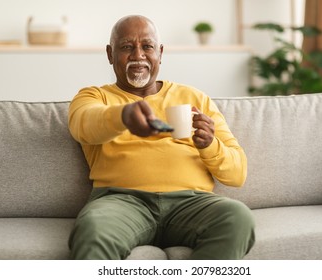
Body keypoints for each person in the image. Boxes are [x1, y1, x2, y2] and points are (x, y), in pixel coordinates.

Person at [68, 15, 255, 260]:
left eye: (147, 46)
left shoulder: (195, 98)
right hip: (122, 202)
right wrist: (124, 116)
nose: (138, 55)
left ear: (160, 52)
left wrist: (210, 144)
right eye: (126, 47)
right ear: (110, 54)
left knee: (237, 217)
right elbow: (84, 125)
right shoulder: (94, 97)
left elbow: (237, 173)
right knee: (93, 228)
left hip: (190, 204)